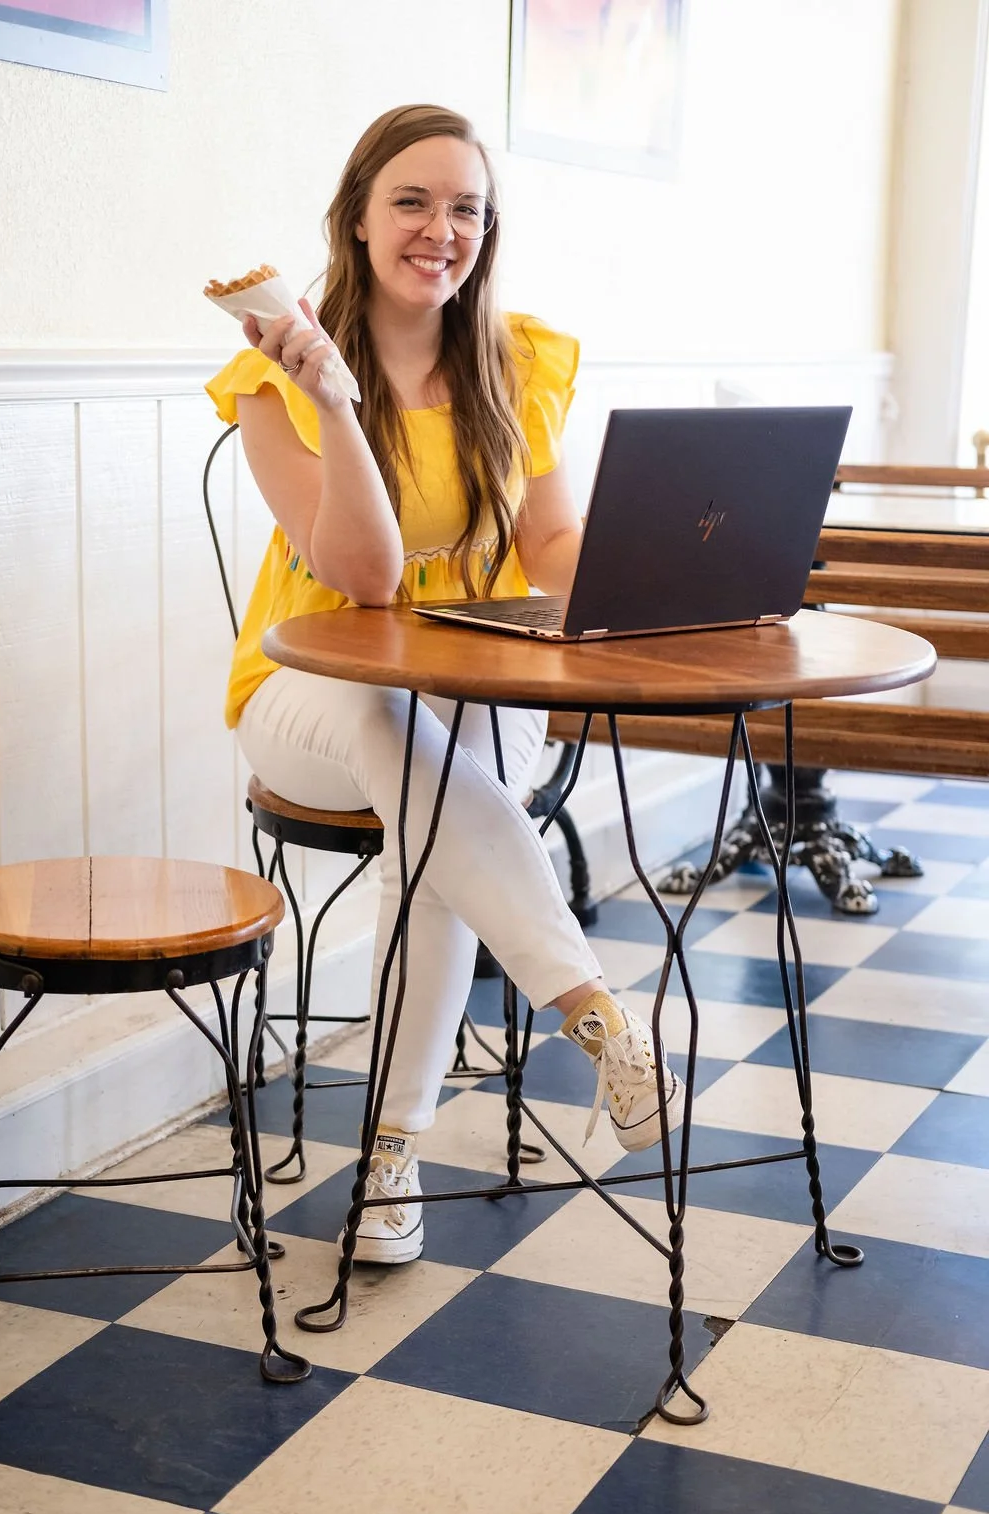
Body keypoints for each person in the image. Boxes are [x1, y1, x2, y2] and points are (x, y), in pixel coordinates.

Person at [206, 103, 683, 1265]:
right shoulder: (272, 379)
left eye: (465, 207)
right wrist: (333, 398)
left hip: (474, 697)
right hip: (308, 693)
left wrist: (653, 563)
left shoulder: (519, 363)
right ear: (357, 220)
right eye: (412, 202)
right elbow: (360, 582)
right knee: (394, 718)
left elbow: (554, 545)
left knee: (434, 810)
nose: (441, 229)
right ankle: (593, 1012)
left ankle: (390, 1160)